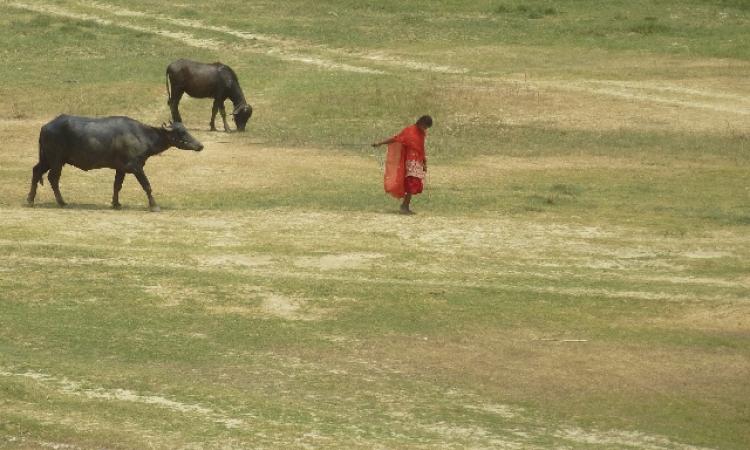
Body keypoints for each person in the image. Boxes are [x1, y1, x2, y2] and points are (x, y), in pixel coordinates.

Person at [372, 115, 433, 214]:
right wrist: (380, 143)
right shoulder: (409, 131)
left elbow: (421, 149)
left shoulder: (422, 134)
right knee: (410, 185)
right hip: (409, 163)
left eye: (427, 128)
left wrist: (424, 163)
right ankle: (404, 207)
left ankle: (405, 206)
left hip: (417, 163)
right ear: (421, 123)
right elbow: (396, 139)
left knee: (413, 186)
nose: (425, 129)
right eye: (425, 126)